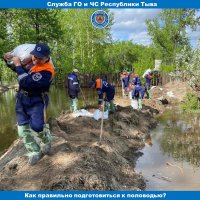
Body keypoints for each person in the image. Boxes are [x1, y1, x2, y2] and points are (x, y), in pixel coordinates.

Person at [4, 43, 55, 165]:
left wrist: (17, 65)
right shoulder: (33, 64)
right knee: (22, 130)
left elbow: (27, 83)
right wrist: (7, 59)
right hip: (22, 99)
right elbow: (15, 68)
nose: (35, 59)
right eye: (34, 56)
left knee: (37, 127)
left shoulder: (47, 71)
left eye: (39, 58)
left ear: (46, 57)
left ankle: (46, 139)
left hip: (36, 100)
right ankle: (34, 151)